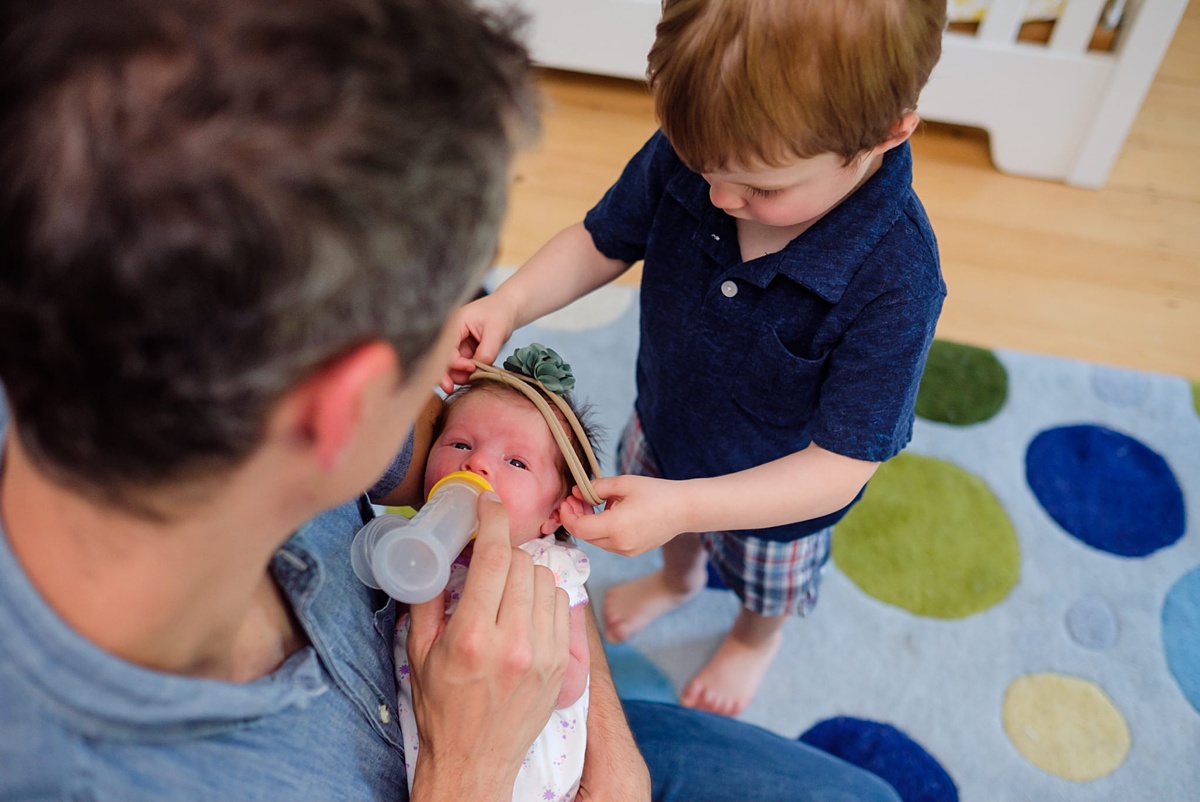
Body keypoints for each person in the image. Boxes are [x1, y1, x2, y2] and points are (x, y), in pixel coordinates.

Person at [0, 0, 903, 800]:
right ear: (340, 408)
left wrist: (600, 728)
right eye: (443, 321)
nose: (461, 368)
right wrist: (463, 774)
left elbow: (514, 479)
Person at [447, 0, 949, 717]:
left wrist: (687, 505)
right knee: (670, 537)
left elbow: (843, 463)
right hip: (665, 424)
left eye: (762, 188)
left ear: (889, 134)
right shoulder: (707, 153)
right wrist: (510, 302)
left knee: (764, 589)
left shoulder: (896, 277)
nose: (717, 196)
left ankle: (752, 639)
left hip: (779, 503)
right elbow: (602, 240)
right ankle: (679, 581)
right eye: (700, 165)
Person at [392, 344, 600, 802]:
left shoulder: (550, 569)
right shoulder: (417, 537)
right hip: (417, 752)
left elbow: (572, 679)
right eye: (461, 444)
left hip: (521, 769)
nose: (477, 464)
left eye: (517, 462)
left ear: (553, 516)